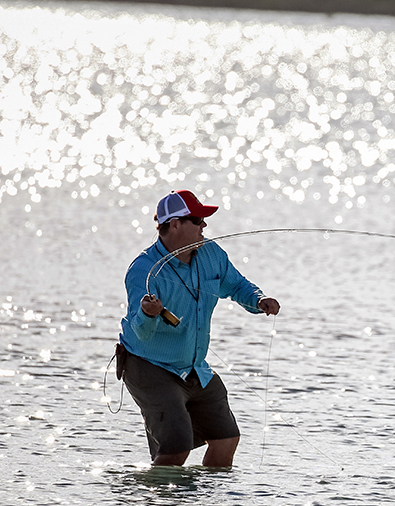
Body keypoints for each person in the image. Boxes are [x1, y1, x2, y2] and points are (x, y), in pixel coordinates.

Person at [118, 189, 280, 467]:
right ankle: (160, 505)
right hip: (149, 366)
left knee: (226, 438)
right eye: (197, 219)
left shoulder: (212, 254)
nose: (204, 225)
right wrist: (148, 313)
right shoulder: (143, 270)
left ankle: (206, 505)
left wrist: (258, 299)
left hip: (194, 367)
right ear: (175, 224)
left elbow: (237, 285)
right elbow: (139, 331)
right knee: (176, 448)